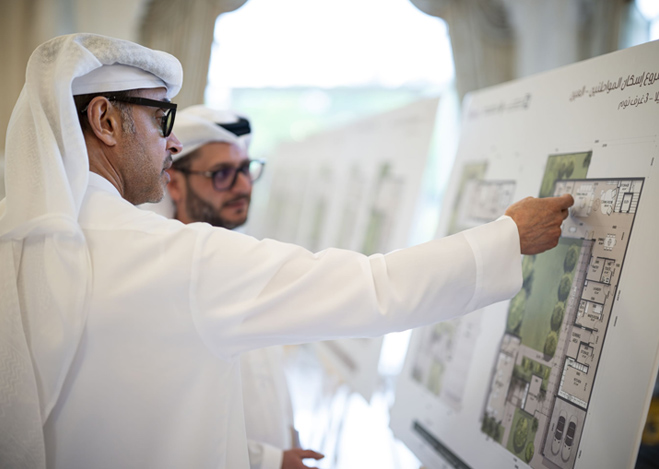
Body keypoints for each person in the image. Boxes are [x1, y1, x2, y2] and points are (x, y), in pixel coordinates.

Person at [0, 33, 573, 469]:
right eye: (161, 117)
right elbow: (375, 289)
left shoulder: (15, 243)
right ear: (104, 120)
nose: (171, 142)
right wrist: (508, 237)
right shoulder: (176, 259)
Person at [163, 105, 321, 469]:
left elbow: (265, 373)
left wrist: (288, 435)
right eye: (221, 174)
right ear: (174, 183)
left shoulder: (247, 259)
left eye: (246, 169)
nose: (243, 186)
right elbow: (167, 422)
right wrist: (270, 460)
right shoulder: (166, 279)